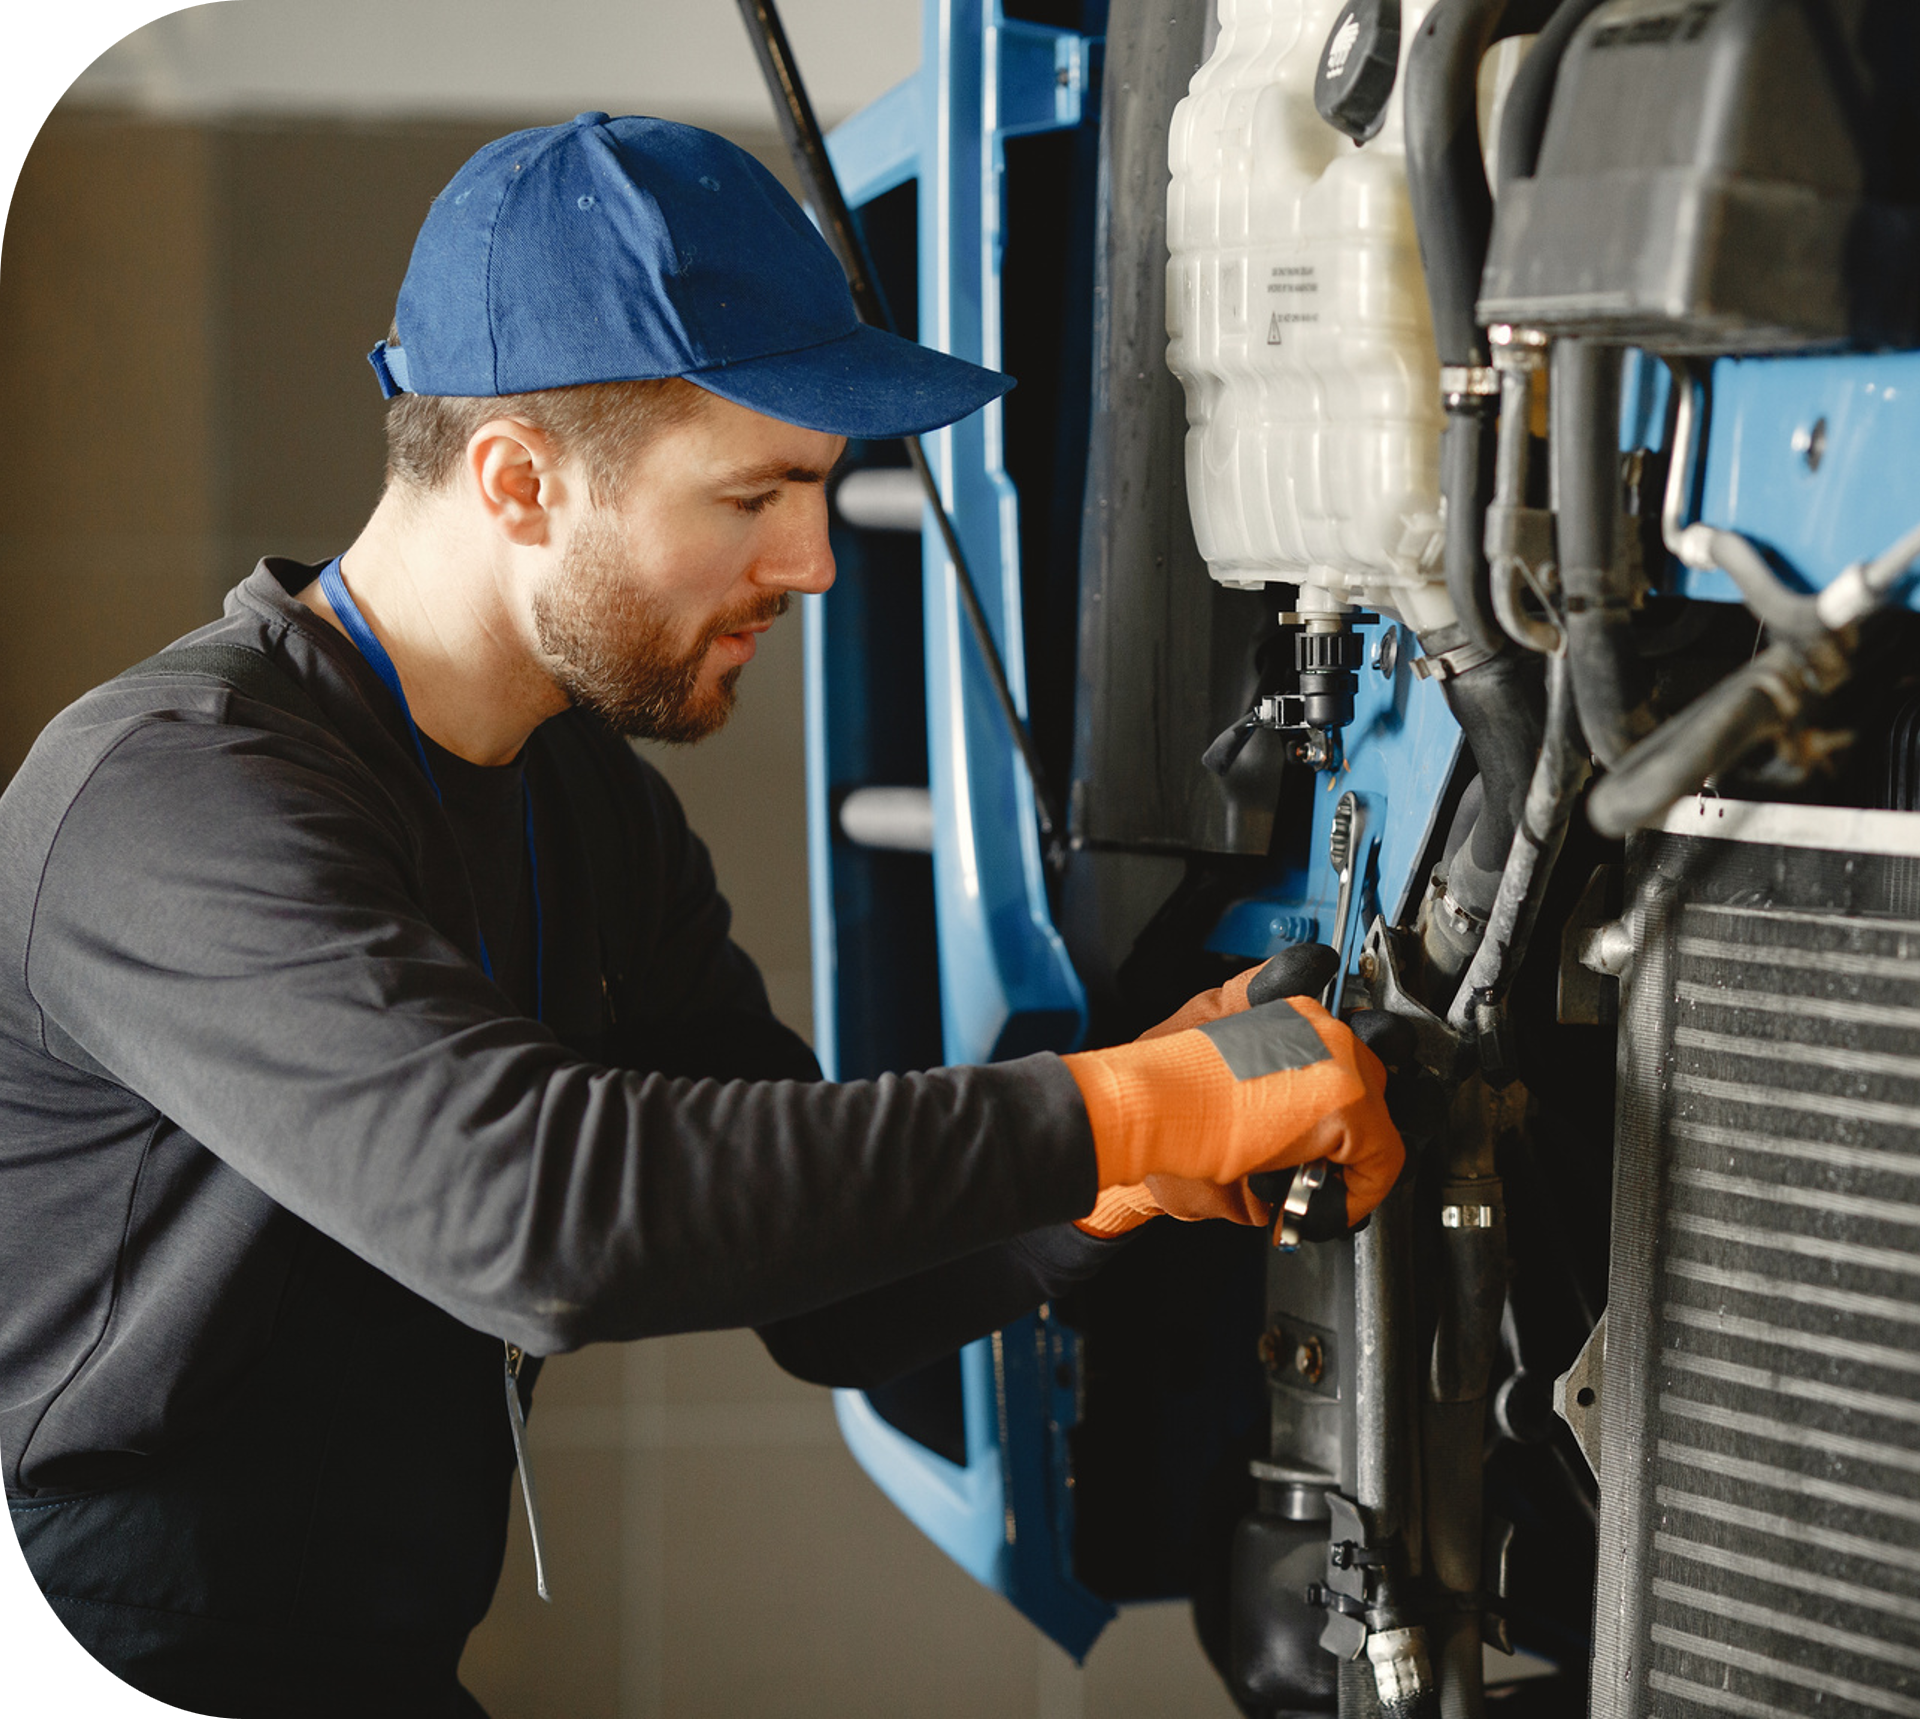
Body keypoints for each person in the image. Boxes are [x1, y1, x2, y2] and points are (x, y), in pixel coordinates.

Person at [0, 112, 1402, 1717]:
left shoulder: (584, 808)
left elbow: (829, 1287)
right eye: (755, 495)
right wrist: (1112, 1106)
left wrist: (1120, 1176)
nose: (810, 562)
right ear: (519, 481)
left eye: (821, 492)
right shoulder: (166, 799)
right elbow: (538, 1218)